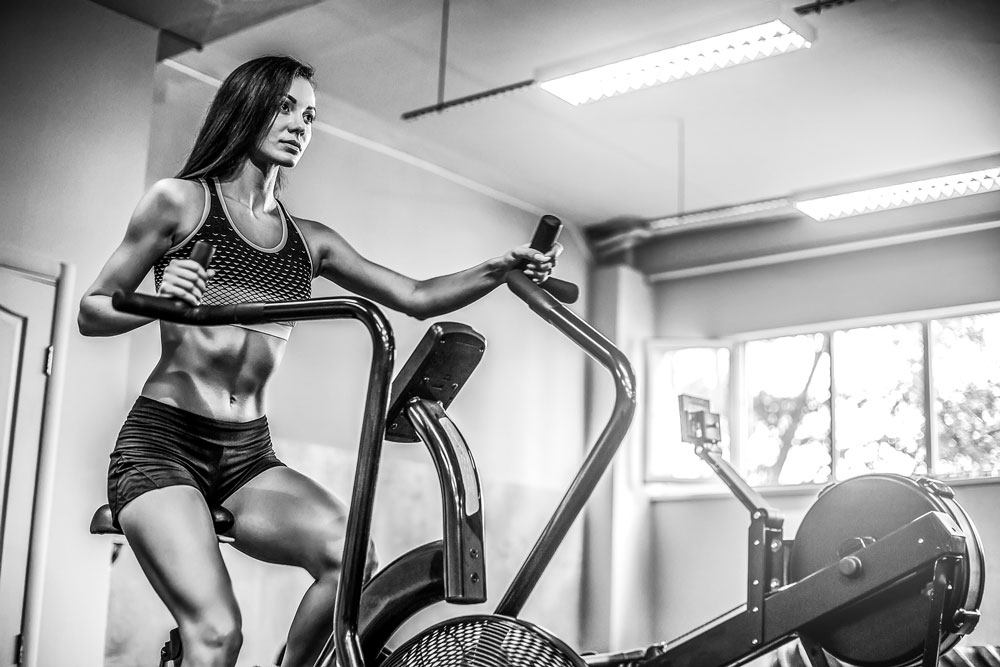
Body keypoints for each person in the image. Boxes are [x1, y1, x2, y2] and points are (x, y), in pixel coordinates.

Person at [78, 54, 558, 667]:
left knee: (353, 560)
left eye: (309, 115)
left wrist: (499, 268)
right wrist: (156, 300)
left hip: (248, 454)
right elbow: (92, 311)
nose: (300, 125)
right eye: (284, 108)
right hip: (162, 446)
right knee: (219, 632)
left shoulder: (311, 241)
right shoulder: (181, 203)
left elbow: (416, 296)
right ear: (246, 107)